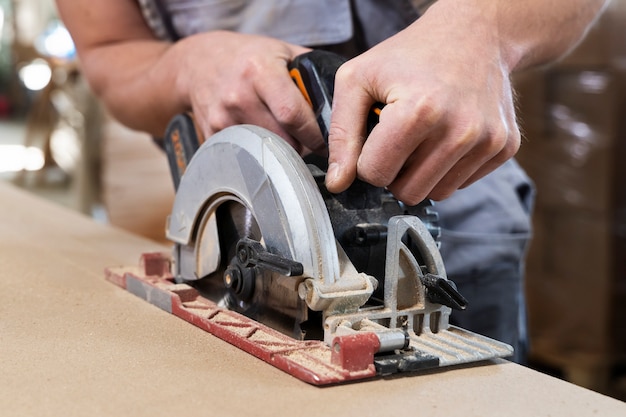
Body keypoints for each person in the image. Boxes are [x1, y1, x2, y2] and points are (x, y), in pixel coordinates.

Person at [54, 0, 607, 362]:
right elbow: (108, 50)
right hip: (241, 242)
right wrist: (186, 64)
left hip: (447, 217)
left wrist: (482, 29)